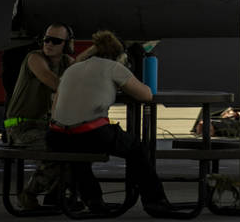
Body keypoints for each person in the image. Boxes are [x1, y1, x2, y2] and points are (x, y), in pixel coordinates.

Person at [46, 30, 173, 216]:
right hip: (90, 134)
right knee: (137, 148)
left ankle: (93, 200)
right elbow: (146, 95)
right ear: (118, 56)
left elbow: (55, 108)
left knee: (77, 154)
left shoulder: (71, 69)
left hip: (56, 137)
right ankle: (155, 201)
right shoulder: (113, 67)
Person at [4, 23, 75, 210]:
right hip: (21, 127)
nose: (49, 44)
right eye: (46, 39)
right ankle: (29, 195)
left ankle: (57, 196)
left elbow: (80, 78)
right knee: (58, 151)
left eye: (56, 41)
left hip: (45, 127)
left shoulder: (67, 62)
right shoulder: (34, 58)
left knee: (79, 148)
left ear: (66, 45)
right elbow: (51, 80)